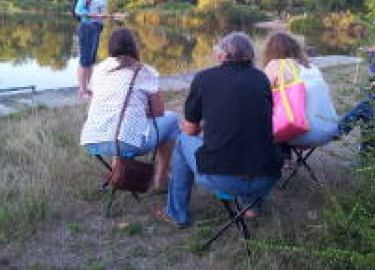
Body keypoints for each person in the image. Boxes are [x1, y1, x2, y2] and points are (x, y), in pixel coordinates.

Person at [156, 32, 283, 227]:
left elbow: (190, 130)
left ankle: (176, 213)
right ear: (250, 56)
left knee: (182, 141)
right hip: (266, 177)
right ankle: (251, 206)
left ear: (220, 55)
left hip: (221, 177)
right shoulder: (261, 79)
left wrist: (193, 126)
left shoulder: (205, 78)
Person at [80, 27, 180, 191]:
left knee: (120, 123)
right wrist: (140, 111)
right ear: (134, 47)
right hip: (128, 143)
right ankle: (161, 181)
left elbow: (98, 98)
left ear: (110, 47)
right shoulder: (145, 71)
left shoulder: (99, 69)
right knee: (171, 120)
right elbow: (158, 112)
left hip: (93, 141)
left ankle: (117, 170)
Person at [262, 32, 338, 147]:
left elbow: (260, 96)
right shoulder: (312, 68)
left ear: (270, 51)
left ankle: (282, 159)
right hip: (329, 130)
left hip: (300, 131)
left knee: (263, 118)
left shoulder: (276, 66)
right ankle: (286, 158)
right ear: (295, 48)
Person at [75, 0, 135, 99]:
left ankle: (88, 88)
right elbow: (78, 10)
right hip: (87, 28)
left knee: (91, 59)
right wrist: (97, 16)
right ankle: (82, 90)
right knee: (84, 60)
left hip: (96, 28)